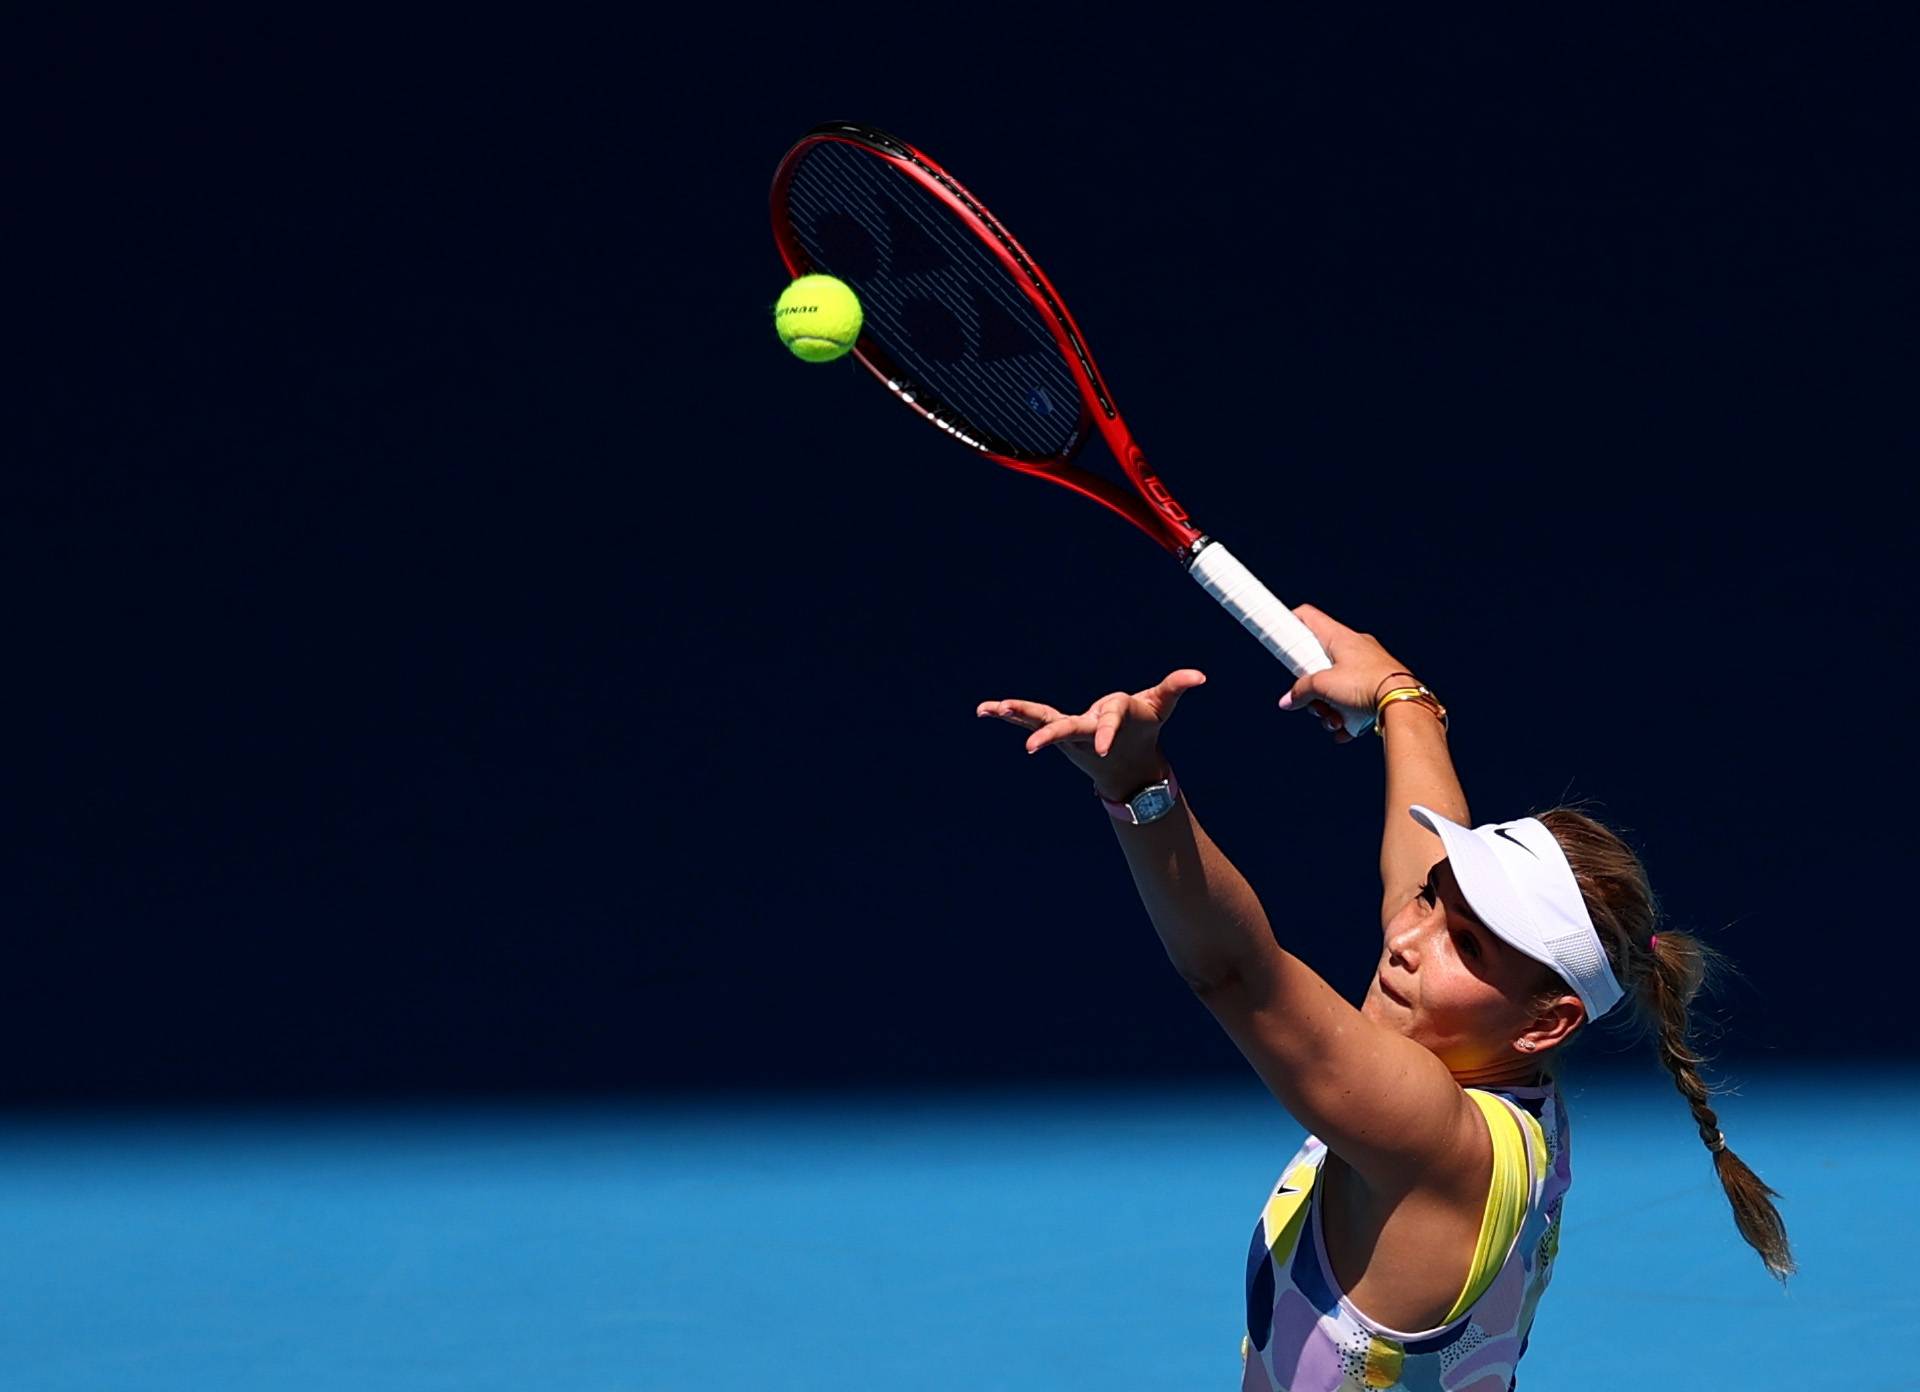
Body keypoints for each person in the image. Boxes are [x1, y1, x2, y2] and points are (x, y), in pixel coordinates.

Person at [976, 605, 1791, 1391]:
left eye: (1465, 944)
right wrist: (1401, 698)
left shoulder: (1435, 1139)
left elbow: (1234, 973)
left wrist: (1139, 788)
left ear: (1548, 1022)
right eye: (1436, 899)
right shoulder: (1492, 1061)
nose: (1407, 938)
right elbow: (1421, 853)